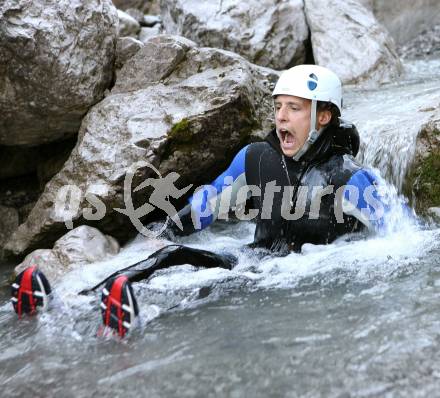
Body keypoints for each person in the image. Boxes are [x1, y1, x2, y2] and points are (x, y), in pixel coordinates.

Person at [11, 65, 389, 337]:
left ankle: (123, 316)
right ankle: (71, 301)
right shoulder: (258, 158)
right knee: (172, 255)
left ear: (323, 116)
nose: (281, 117)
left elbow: (401, 236)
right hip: (257, 262)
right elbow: (212, 198)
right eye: (278, 107)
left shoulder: (349, 178)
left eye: (294, 108)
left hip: (309, 282)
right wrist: (168, 228)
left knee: (194, 282)